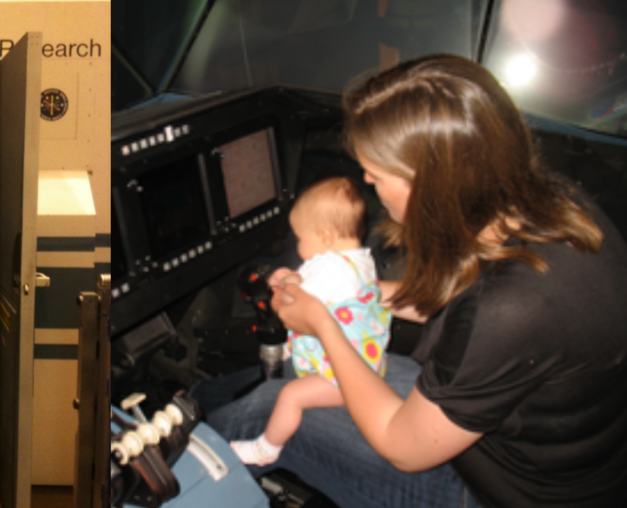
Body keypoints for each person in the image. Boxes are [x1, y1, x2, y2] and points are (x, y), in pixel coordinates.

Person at [199, 54, 627, 507]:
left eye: (378, 174)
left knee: (268, 408)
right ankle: (195, 403)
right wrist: (355, 295)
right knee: (286, 382)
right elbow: (460, 304)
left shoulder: (511, 307)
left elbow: (401, 445)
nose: (366, 179)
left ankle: (173, 459)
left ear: (433, 182)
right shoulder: (548, 202)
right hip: (543, 449)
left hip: (499, 489)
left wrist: (322, 323)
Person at [230, 177, 391, 466]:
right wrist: (291, 277)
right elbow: (312, 283)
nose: (299, 245)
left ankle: (266, 448)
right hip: (363, 358)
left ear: (326, 235)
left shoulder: (333, 271)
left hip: (345, 379)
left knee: (291, 395)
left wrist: (279, 287)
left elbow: (296, 305)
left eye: (301, 238)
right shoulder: (358, 260)